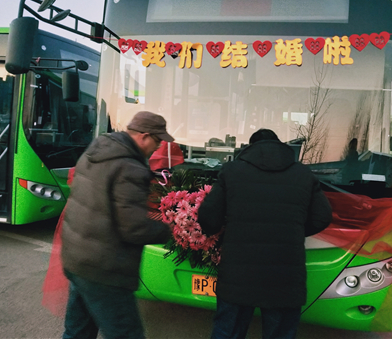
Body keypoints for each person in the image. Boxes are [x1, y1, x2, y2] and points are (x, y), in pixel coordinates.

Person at [198, 129, 333, 339]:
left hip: (237, 277)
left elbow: (209, 219)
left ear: (250, 148)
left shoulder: (231, 171)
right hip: (284, 280)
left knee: (228, 332)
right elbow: (322, 217)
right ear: (280, 146)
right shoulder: (303, 174)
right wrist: (294, 230)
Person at [61, 111, 174, 339]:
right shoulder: (130, 167)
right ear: (144, 136)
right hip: (104, 268)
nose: (158, 147)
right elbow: (133, 228)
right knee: (126, 334)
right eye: (158, 141)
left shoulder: (96, 150)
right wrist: (170, 231)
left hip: (77, 259)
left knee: (77, 332)